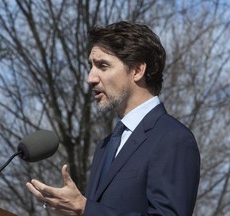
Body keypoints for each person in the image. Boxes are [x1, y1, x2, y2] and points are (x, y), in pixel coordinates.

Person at [26, 21, 200, 216]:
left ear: (137, 70)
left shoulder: (172, 138)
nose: (90, 78)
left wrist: (85, 209)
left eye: (103, 66)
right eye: (91, 66)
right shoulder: (105, 146)